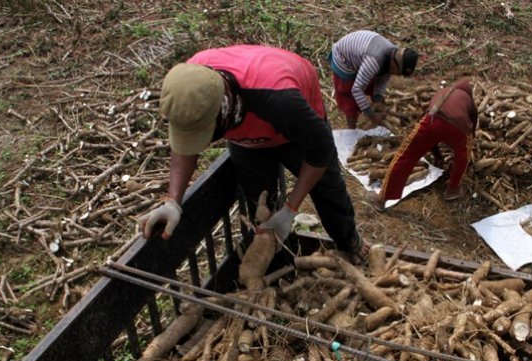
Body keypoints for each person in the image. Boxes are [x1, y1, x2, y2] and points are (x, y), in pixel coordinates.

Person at [138, 44, 368, 263]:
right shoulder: (188, 90)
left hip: (290, 122)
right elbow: (183, 147)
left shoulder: (282, 101)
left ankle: (348, 241)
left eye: (204, 133)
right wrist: (173, 202)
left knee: (327, 188)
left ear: (224, 110)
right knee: (260, 200)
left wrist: (290, 210)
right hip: (248, 132)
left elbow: (321, 150)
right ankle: (278, 260)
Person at [376, 79, 477, 204]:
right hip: (459, 128)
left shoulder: (442, 92)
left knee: (405, 156)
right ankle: (453, 189)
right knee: (462, 158)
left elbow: (428, 124)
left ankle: (382, 198)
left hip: (432, 120)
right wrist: (463, 145)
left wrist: (436, 154)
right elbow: (472, 128)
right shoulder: (469, 102)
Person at [330, 30, 419, 129]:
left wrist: (378, 100)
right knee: (349, 97)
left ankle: (378, 112)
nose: (396, 75)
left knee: (372, 86)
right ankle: (352, 130)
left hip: (362, 53)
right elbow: (356, 89)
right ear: (394, 64)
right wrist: (372, 116)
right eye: (398, 73)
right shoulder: (374, 60)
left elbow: (382, 80)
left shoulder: (395, 55)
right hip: (343, 58)